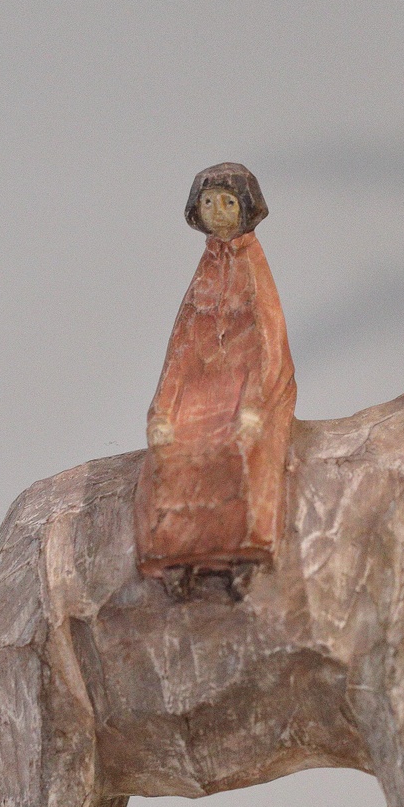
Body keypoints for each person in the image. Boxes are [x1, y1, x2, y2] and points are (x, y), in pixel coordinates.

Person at [135, 163, 296, 601]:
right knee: (173, 448)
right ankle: (177, 555)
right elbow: (182, 345)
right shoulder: (206, 269)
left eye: (227, 202)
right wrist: (162, 410)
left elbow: (267, 343)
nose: (218, 212)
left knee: (238, 446)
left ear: (246, 207)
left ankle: (241, 553)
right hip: (199, 387)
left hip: (250, 384)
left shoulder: (253, 268)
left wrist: (254, 405)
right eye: (208, 203)